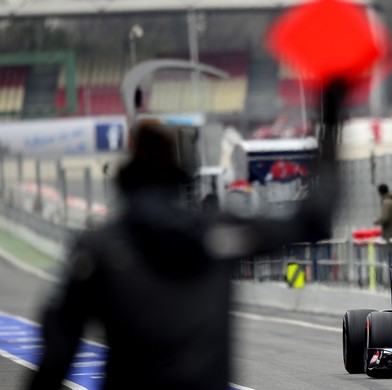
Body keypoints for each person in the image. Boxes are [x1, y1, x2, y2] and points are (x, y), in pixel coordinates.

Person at [29, 112, 340, 389]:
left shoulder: (97, 247)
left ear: (125, 183)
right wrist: (332, 114)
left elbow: (56, 353)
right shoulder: (218, 234)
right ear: (182, 180)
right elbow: (314, 220)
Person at [373, 183, 392, 266]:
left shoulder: (386, 203)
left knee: (390, 258)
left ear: (379, 192)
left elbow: (385, 218)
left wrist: (376, 220)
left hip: (389, 234)